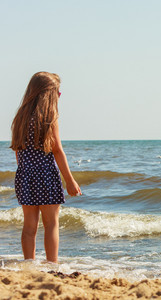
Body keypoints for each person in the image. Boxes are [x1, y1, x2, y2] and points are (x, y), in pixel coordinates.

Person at [10, 71, 81, 263]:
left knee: (29, 227)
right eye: (57, 93)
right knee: (51, 224)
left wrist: (26, 171)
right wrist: (70, 180)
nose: (59, 97)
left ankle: (29, 264)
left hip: (25, 175)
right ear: (48, 93)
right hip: (46, 176)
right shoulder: (49, 117)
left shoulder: (20, 118)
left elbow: (17, 149)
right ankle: (52, 265)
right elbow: (57, 150)